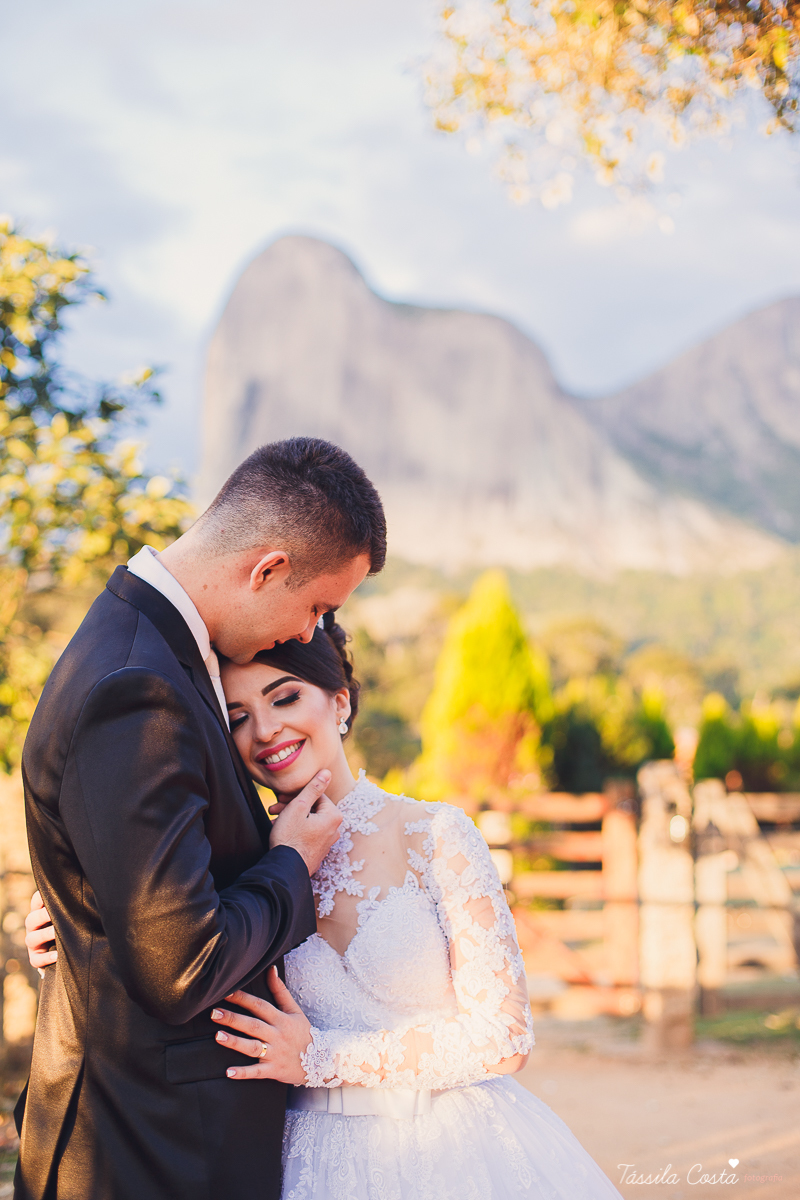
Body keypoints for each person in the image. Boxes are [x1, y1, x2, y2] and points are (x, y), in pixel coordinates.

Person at [28, 614, 623, 1200]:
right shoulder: (229, 862)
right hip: (294, 1158)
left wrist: (318, 1058)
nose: (265, 731)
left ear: (340, 702)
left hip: (450, 1151)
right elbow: (162, 935)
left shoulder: (436, 835)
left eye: (285, 698)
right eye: (238, 718)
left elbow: (504, 1036)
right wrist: (67, 916)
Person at [15, 437, 386, 1200]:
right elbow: (181, 966)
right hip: (148, 1153)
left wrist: (91, 911)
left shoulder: (157, 653)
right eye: (317, 606)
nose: (313, 635)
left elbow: (148, 876)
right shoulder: (138, 686)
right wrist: (290, 864)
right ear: (268, 568)